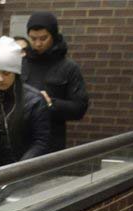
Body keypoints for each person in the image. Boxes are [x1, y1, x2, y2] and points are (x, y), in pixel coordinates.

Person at [22, 12, 89, 152]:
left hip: (51, 143)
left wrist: (51, 104)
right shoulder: (22, 64)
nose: (38, 44)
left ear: (53, 36)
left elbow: (80, 108)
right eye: (33, 39)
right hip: (21, 140)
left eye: (43, 38)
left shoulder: (68, 67)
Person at [0, 36, 50, 161]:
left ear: (15, 73)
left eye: (6, 73)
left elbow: (41, 141)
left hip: (23, 168)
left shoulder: (34, 101)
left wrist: (20, 167)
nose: (0, 79)